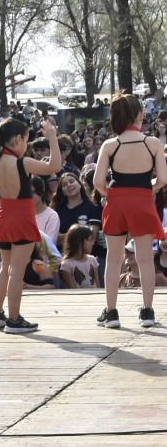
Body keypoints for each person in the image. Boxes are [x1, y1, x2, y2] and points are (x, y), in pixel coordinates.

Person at [93, 91, 167, 328]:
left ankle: (111, 313)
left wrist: (111, 195)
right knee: (146, 259)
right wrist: (150, 189)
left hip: (116, 201)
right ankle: (147, 313)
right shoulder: (152, 142)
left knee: (113, 259)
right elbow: (163, 179)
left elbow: (97, 182)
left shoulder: (109, 144)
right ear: (139, 114)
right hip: (143, 200)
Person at [0, 118, 61, 333]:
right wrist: (53, 139)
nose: (27, 145)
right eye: (26, 140)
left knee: (6, 268)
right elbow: (55, 166)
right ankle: (14, 319)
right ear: (18, 139)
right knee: (16, 271)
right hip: (21, 218)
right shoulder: (21, 162)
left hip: (3, 216)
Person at [59, 224, 100, 289]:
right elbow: (72, 288)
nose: (93, 243)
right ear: (79, 242)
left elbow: (98, 285)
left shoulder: (93, 260)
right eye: (90, 240)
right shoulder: (67, 264)